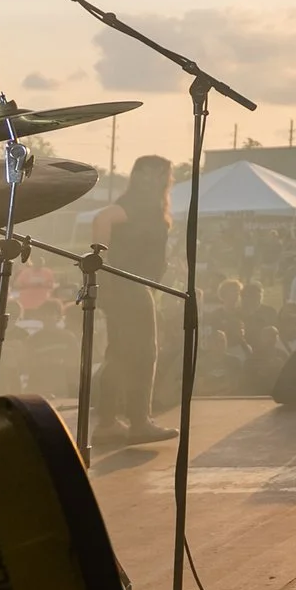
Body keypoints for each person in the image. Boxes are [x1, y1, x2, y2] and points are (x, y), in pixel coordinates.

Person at [90, 154, 175, 444]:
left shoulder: (146, 206)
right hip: (131, 286)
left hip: (128, 286)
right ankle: (138, 421)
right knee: (142, 354)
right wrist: (99, 262)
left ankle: (108, 422)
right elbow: (102, 218)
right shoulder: (139, 205)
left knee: (119, 353)